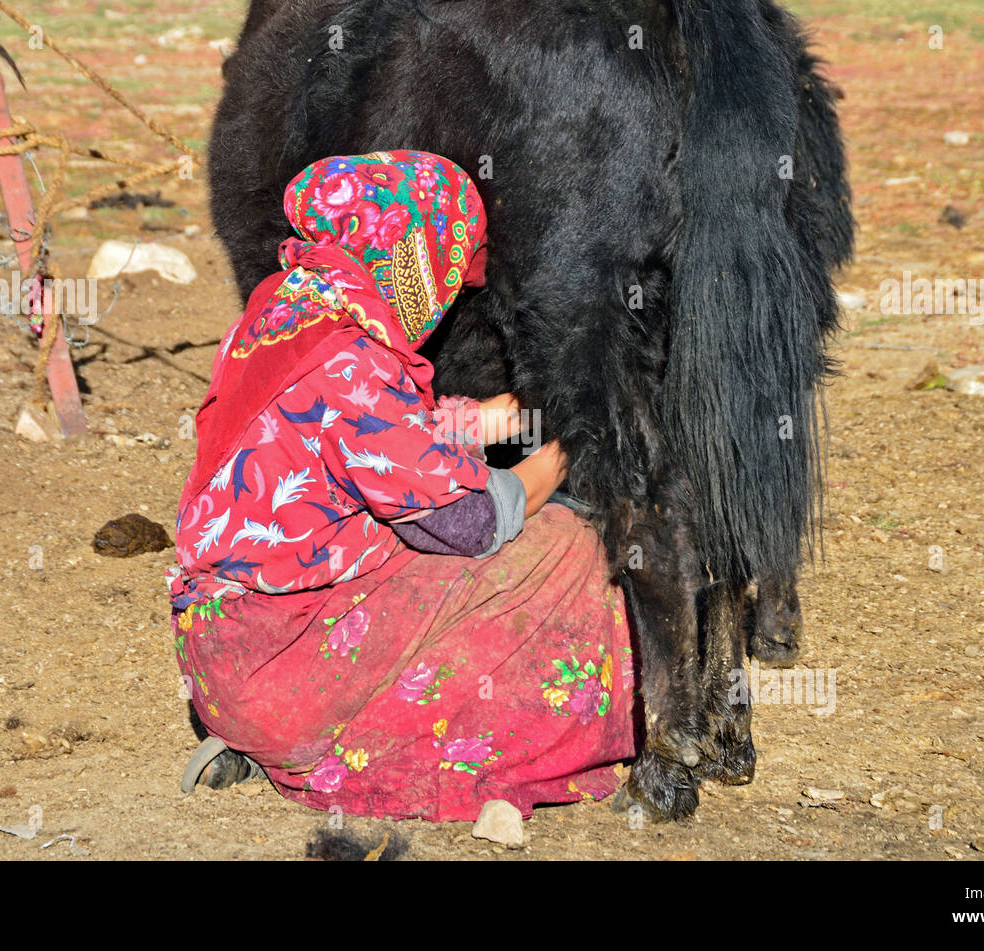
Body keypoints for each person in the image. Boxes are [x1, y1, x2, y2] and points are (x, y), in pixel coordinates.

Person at [168, 150, 636, 821]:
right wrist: (564, 447)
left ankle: (259, 741)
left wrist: (512, 414)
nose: (451, 290)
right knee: (562, 543)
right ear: (410, 257)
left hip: (220, 657)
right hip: (287, 671)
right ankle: (394, 747)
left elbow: (382, 438)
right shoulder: (354, 362)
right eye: (446, 266)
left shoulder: (285, 314)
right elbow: (469, 520)